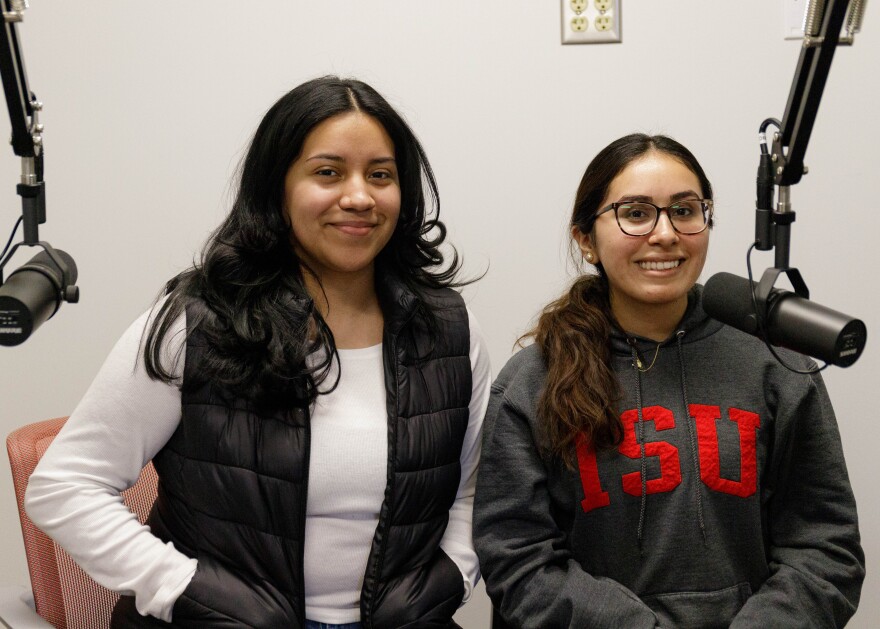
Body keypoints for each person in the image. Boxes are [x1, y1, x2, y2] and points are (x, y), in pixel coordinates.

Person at [25, 76, 491, 629]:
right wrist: (179, 589)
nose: (360, 196)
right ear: (277, 188)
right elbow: (64, 485)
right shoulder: (196, 323)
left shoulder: (448, 332)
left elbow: (475, 490)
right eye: (328, 172)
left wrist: (452, 579)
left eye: (381, 175)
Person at [473, 133, 864, 628]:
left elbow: (825, 546)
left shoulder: (776, 363)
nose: (665, 234)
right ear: (586, 239)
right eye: (636, 213)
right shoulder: (534, 381)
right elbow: (517, 560)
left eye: (684, 210)